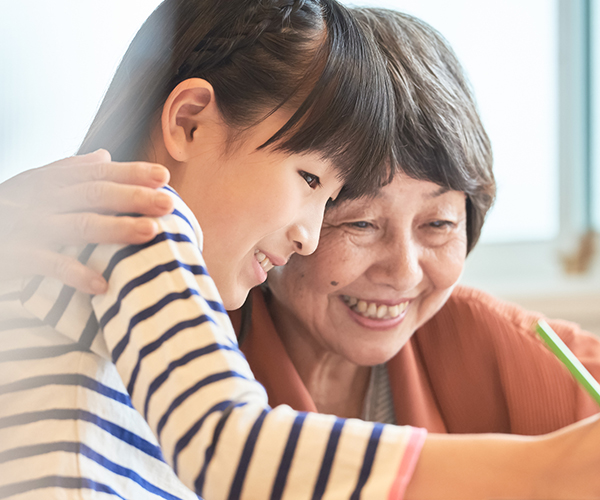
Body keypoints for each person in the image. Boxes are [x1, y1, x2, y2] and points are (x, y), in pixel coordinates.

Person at [2, 5, 600, 500]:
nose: (307, 236)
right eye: (314, 182)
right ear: (189, 123)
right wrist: (548, 469)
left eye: (440, 223)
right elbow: (230, 447)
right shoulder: (142, 225)